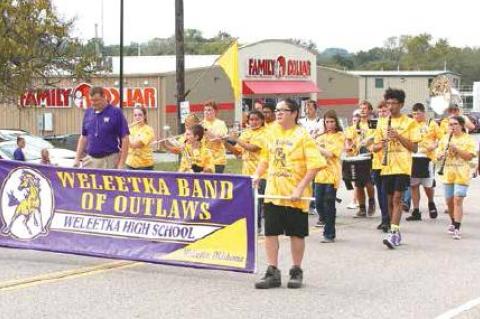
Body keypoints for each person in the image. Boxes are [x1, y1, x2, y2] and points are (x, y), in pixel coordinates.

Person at [253, 98, 326, 289]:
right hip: (273, 192)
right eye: (277, 110)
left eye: (283, 110)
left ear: (294, 113)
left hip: (295, 194)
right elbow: (265, 158)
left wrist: (300, 187)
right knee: (270, 232)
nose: (278, 113)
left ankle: (296, 270)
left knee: (296, 234)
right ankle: (272, 271)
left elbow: (315, 165)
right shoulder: (271, 132)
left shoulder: (303, 136)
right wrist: (257, 175)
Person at [373, 88, 420, 249]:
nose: (391, 106)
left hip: (403, 166)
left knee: (397, 198)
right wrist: (382, 143)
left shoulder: (410, 122)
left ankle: (393, 233)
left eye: (394, 103)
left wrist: (398, 137)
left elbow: (414, 148)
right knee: (389, 201)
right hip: (386, 166)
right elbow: (374, 147)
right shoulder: (382, 122)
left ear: (401, 104)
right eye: (389, 103)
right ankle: (397, 231)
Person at [225, 110, 267, 233]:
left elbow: (253, 148)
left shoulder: (264, 133)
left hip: (261, 173)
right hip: (246, 172)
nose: (253, 122)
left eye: (256, 119)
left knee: (258, 202)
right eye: (251, 120)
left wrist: (236, 139)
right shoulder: (246, 133)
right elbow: (237, 152)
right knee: (249, 201)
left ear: (262, 120)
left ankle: (257, 226)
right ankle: (251, 225)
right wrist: (225, 143)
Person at [437, 116, 476, 240]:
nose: (452, 127)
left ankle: (457, 227)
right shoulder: (445, 138)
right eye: (450, 124)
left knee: (458, 199)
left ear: (461, 125)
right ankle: (453, 221)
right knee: (449, 201)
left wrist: (456, 149)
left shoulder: (468, 139)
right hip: (448, 173)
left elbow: (469, 156)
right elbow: (437, 155)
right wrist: (441, 155)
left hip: (462, 173)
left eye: (455, 124)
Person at [74, 86, 129, 169]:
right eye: (91, 100)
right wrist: (77, 158)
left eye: (96, 100)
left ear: (104, 97)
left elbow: (125, 138)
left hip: (109, 160)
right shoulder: (88, 113)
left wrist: (121, 163)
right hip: (90, 160)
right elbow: (84, 137)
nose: (93, 103)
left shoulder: (116, 112)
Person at [405, 103, 441, 221]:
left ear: (423, 113)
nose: (416, 116)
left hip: (427, 158)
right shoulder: (410, 124)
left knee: (427, 185)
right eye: (414, 114)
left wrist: (434, 145)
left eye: (418, 113)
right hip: (414, 157)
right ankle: (416, 211)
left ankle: (431, 202)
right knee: (414, 185)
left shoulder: (431, 123)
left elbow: (441, 138)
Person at [313, 110, 344, 243]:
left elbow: (331, 154)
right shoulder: (320, 137)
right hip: (320, 174)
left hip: (332, 174)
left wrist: (316, 146)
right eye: (327, 122)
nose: (329, 124)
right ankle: (327, 220)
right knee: (319, 203)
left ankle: (329, 233)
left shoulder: (340, 136)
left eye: (332, 121)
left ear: (336, 122)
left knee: (328, 202)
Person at [345, 101, 376, 218]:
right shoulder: (355, 126)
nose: (362, 110)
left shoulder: (373, 124)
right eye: (361, 108)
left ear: (370, 110)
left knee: (368, 182)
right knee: (358, 184)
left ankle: (372, 201)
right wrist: (348, 146)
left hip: (369, 155)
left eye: (365, 108)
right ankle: (362, 208)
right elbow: (348, 139)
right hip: (357, 156)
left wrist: (368, 142)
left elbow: (375, 138)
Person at [370, 101, 390, 232]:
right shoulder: (378, 125)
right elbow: (374, 146)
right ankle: (384, 218)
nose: (382, 114)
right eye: (380, 111)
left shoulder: (393, 123)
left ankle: (388, 219)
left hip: (390, 164)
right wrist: (380, 145)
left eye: (385, 111)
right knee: (380, 193)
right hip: (377, 163)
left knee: (386, 193)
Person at [202, 100, 228, 173]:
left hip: (218, 160)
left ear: (215, 111)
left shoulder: (221, 124)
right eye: (205, 110)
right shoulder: (200, 124)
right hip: (204, 160)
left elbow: (219, 139)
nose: (206, 112)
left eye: (209, 110)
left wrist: (205, 131)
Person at [125, 106, 155, 170]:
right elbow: (123, 144)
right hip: (130, 164)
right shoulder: (131, 128)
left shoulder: (148, 130)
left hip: (144, 166)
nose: (137, 117)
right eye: (135, 115)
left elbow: (135, 145)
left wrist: (125, 134)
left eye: (140, 115)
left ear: (145, 116)